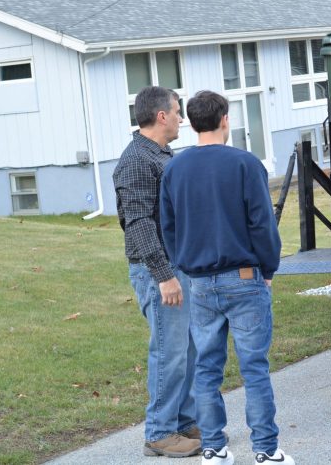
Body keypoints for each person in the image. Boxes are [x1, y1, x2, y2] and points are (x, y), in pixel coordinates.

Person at [159, 90, 293, 465]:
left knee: (206, 368)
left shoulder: (174, 169)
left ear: (192, 122)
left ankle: (214, 449)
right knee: (254, 367)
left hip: (200, 282)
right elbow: (261, 224)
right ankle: (266, 451)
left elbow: (168, 228)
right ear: (224, 120)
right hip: (244, 276)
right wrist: (268, 268)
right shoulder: (245, 164)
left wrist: (184, 266)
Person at [113, 86, 200, 458]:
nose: (182, 118)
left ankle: (183, 422)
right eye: (177, 112)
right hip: (158, 271)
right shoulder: (136, 160)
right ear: (161, 116)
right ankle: (160, 432)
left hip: (175, 265)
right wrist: (164, 275)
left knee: (187, 349)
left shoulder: (161, 155)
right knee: (169, 351)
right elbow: (137, 223)